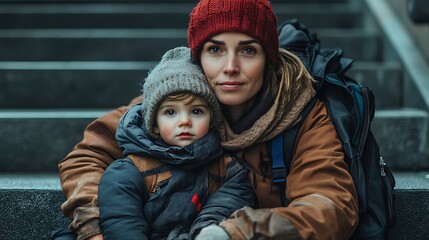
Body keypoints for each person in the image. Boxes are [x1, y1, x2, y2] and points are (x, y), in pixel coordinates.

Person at [57, 0, 359, 239]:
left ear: (268, 59)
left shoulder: (303, 113)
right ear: (197, 57)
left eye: (248, 51)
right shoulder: (172, 102)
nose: (230, 66)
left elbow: (330, 205)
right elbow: (86, 157)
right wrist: (94, 226)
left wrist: (238, 232)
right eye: (215, 49)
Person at [97, 46, 255, 240]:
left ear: (212, 119)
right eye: (170, 112)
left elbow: (225, 206)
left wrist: (203, 234)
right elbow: (122, 220)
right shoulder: (129, 170)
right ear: (154, 124)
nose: (185, 121)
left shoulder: (229, 170)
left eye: (196, 111)